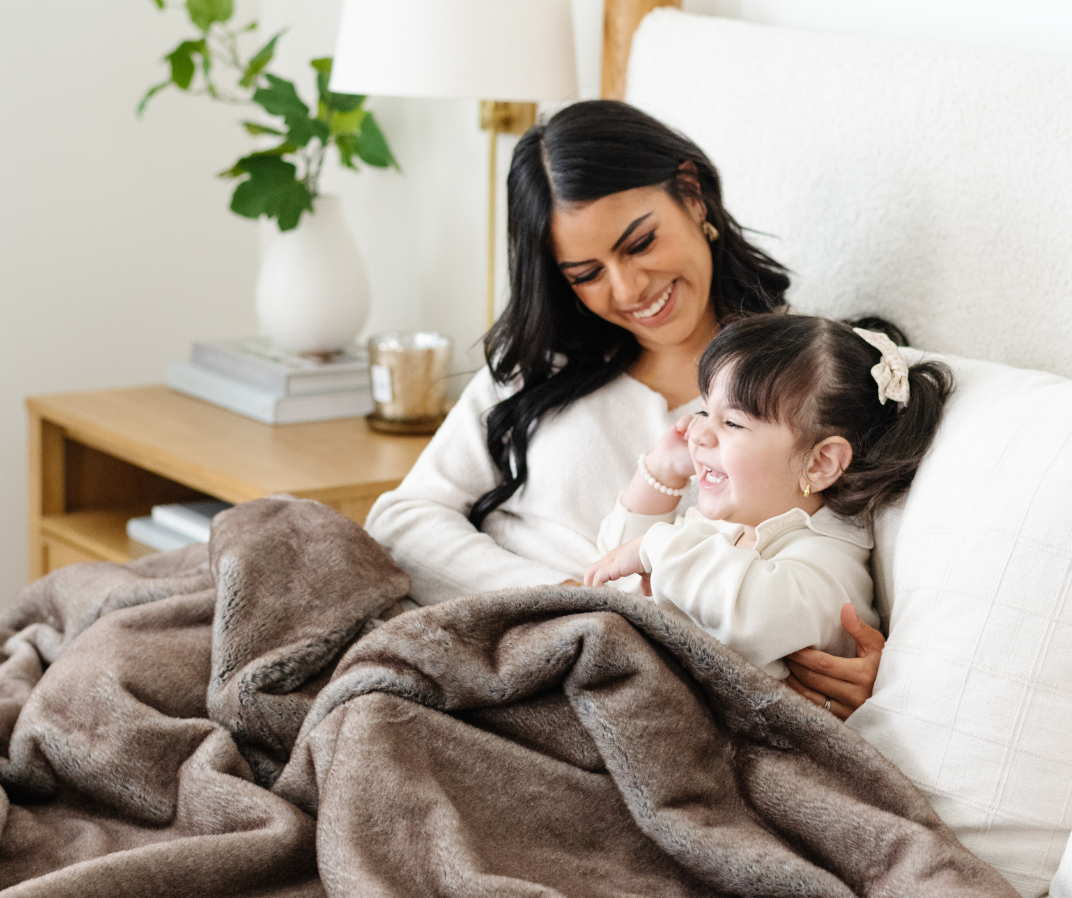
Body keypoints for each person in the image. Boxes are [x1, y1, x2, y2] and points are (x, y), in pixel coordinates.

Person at [366, 99, 885, 716]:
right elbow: (402, 521)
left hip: (636, 696)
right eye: (586, 274)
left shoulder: (805, 389)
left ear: (691, 195)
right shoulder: (538, 367)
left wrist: (871, 677)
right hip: (498, 648)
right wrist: (560, 599)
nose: (628, 289)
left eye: (640, 243)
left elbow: (843, 587)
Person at [585, 315, 952, 683]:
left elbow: (756, 615)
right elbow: (613, 576)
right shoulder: (721, 524)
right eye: (704, 411)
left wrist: (658, 547)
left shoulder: (830, 559)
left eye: (732, 423)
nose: (698, 433)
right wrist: (662, 471)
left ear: (820, 463)